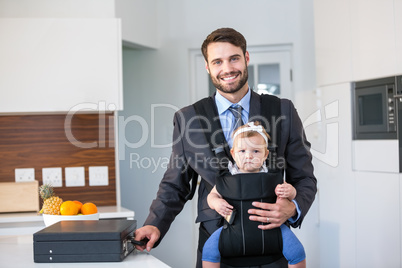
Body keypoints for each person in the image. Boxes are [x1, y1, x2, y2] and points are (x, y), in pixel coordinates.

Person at [134, 27, 317, 268]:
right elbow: (175, 182)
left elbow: (304, 177)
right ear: (208, 67)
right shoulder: (188, 118)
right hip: (216, 247)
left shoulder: (282, 110)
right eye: (217, 61)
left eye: (234, 58)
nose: (227, 68)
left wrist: (292, 208)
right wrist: (154, 223)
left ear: (246, 58)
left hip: (272, 242)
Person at [202, 121, 306, 268]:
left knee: (297, 252)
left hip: (273, 229)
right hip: (233, 228)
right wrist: (216, 203)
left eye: (255, 151)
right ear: (233, 154)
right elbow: (212, 196)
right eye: (242, 151)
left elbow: (291, 195)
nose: (249, 156)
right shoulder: (227, 178)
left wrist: (290, 191)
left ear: (265, 154)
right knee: (209, 251)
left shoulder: (272, 177)